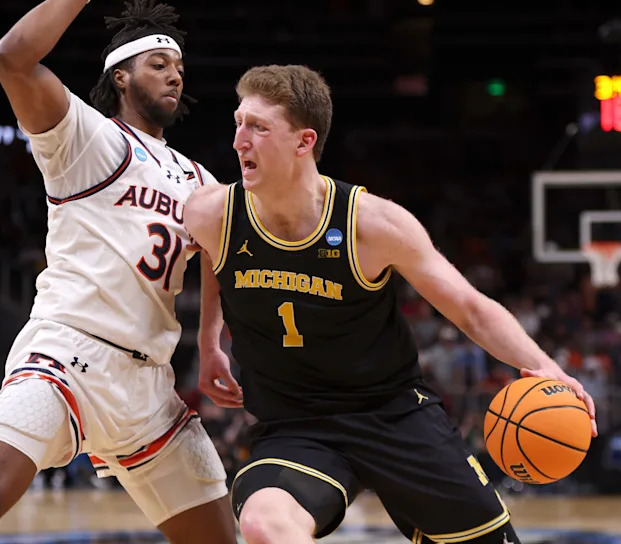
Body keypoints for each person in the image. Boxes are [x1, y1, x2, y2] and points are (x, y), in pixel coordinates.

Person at [0, 0, 236, 544]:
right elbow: (11, 58)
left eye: (179, 66)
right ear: (120, 76)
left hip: (150, 387)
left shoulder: (199, 178)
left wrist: (211, 344)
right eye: (158, 64)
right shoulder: (86, 138)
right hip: (68, 354)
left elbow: (218, 255)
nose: (175, 74)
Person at [183, 65, 599, 544]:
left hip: (394, 415)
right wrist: (208, 342)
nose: (239, 140)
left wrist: (546, 367)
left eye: (258, 127)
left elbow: (469, 307)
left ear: (304, 141)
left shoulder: (372, 224)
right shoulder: (211, 212)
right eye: (239, 123)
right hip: (295, 426)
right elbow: (213, 255)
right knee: (263, 524)